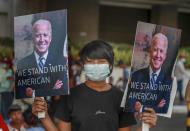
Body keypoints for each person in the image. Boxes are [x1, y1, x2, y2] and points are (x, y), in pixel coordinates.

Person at [32, 40, 157, 131]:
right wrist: (44, 117)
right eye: (90, 62)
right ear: (83, 66)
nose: (96, 66)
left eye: (101, 62)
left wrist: (146, 126)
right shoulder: (70, 96)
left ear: (110, 66)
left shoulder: (121, 98)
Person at [15, 19, 68, 98]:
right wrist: (52, 89)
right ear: (32, 39)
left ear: (50, 38)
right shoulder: (22, 64)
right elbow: (20, 92)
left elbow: (62, 90)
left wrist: (34, 93)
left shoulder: (61, 62)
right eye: (37, 35)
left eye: (45, 35)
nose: (42, 40)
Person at [125, 33, 172, 113]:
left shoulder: (167, 81)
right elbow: (129, 103)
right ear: (150, 51)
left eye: (161, 51)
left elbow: (164, 109)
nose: (158, 55)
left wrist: (141, 107)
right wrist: (156, 107)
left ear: (165, 55)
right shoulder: (136, 76)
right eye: (155, 50)